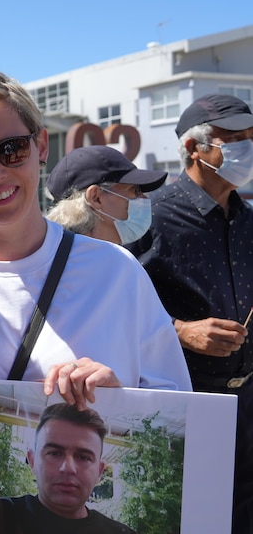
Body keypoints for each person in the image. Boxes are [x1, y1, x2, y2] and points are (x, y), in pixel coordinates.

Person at [0, 69, 191, 531]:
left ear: (40, 146)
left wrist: (121, 398)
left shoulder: (116, 272)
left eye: (11, 149)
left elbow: (180, 414)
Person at [127, 93, 253, 533]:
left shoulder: (248, 218)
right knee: (186, 517)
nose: (247, 149)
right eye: (234, 139)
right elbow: (118, 303)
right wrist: (179, 329)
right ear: (193, 148)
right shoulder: (149, 215)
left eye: (251, 138)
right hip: (185, 401)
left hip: (247, 400)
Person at [0, 403, 136, 534]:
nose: (68, 468)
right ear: (32, 461)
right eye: (54, 453)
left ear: (99, 471)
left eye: (83, 457)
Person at [45, 145, 168, 244]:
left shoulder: (49, 257)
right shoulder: (117, 266)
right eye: (135, 190)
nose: (144, 198)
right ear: (96, 198)